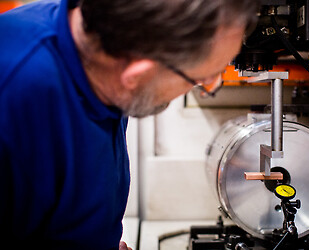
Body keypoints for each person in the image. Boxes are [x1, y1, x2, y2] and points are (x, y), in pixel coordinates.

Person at [0, 0, 259, 248]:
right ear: (137, 74)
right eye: (201, 77)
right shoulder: (15, 101)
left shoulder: (107, 54)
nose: (207, 85)